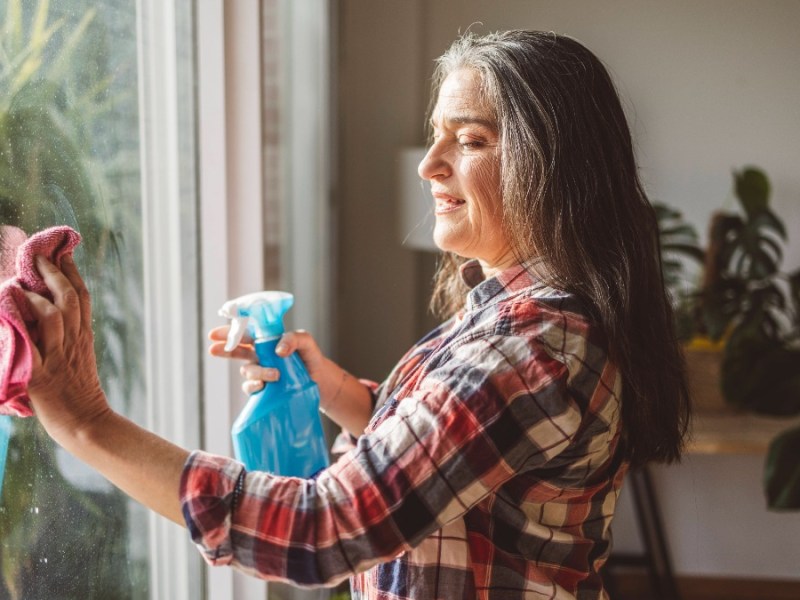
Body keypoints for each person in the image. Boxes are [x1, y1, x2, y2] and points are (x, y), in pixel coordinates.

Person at [25, 30, 689, 599]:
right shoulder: (521, 321)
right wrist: (334, 390)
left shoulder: (535, 345)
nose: (430, 165)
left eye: (471, 141)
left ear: (553, 165)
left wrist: (87, 424)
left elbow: (324, 532)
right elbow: (469, 459)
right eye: (437, 138)